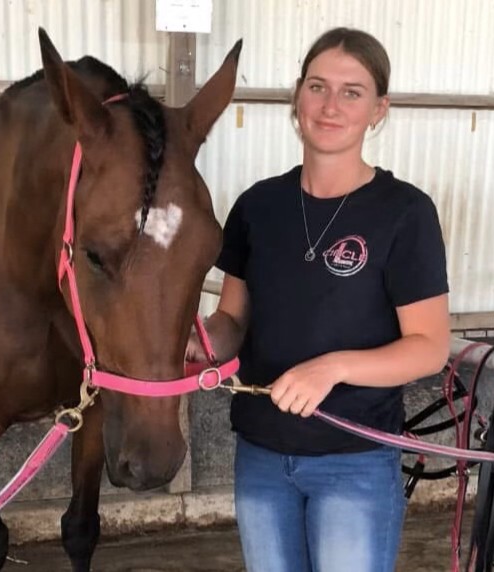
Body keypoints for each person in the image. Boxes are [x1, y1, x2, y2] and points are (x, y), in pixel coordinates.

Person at [187, 27, 450, 572]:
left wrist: (330, 369)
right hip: (260, 455)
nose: (331, 106)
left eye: (352, 92)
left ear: (379, 109)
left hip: (353, 462)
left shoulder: (404, 213)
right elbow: (234, 317)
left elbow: (428, 348)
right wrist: (202, 342)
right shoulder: (258, 206)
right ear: (296, 97)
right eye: (317, 86)